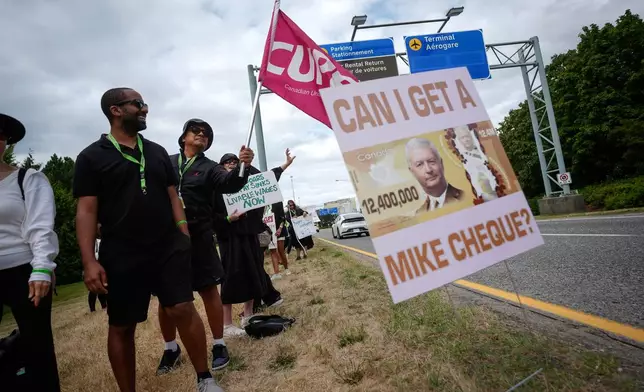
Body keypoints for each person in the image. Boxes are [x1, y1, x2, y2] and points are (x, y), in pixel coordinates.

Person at [73, 87, 225, 392]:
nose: (145, 109)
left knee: (182, 307)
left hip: (167, 246)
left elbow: (173, 195)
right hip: (121, 251)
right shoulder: (90, 157)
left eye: (145, 104)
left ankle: (205, 379)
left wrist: (182, 233)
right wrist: (89, 261)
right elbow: (86, 210)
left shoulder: (156, 152)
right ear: (116, 110)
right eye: (138, 104)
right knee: (122, 325)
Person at [155, 118, 252, 375]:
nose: (201, 135)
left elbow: (231, 183)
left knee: (209, 290)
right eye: (195, 131)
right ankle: (170, 348)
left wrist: (243, 166)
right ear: (183, 136)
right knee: (166, 298)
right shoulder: (165, 161)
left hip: (199, 236)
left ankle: (219, 345)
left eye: (206, 134)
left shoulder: (210, 168)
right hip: (166, 238)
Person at [0, 113, 61, 391]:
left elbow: (40, 227)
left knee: (38, 347)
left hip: (23, 270)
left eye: (1, 136)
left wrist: (42, 267)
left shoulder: (27, 179)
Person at [211, 153, 275, 336]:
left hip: (249, 236)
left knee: (253, 274)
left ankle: (248, 315)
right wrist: (227, 219)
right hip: (229, 239)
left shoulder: (246, 182)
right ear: (221, 166)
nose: (231, 164)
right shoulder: (216, 188)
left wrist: (246, 164)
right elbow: (211, 217)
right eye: (227, 162)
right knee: (230, 278)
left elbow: (264, 181)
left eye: (234, 162)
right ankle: (227, 323)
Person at [404, 137, 463, 214]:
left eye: (432, 161)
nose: (428, 170)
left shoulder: (463, 197)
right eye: (419, 164)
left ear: (441, 163)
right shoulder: (419, 213)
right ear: (412, 172)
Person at [88, 223, 107, 312]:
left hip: (103, 264)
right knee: (94, 289)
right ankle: (92, 308)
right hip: (95, 265)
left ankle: (104, 305)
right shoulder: (91, 242)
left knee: (104, 286)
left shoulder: (104, 240)